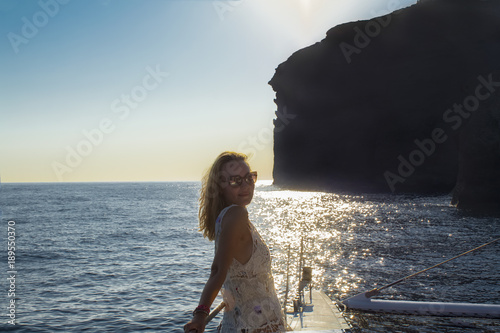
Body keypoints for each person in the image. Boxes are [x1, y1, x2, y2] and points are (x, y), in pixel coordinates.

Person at [184, 151, 285, 333]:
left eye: (249, 178)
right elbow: (217, 270)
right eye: (235, 181)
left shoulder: (226, 217)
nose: (246, 185)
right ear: (220, 186)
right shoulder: (237, 215)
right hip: (253, 327)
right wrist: (200, 314)